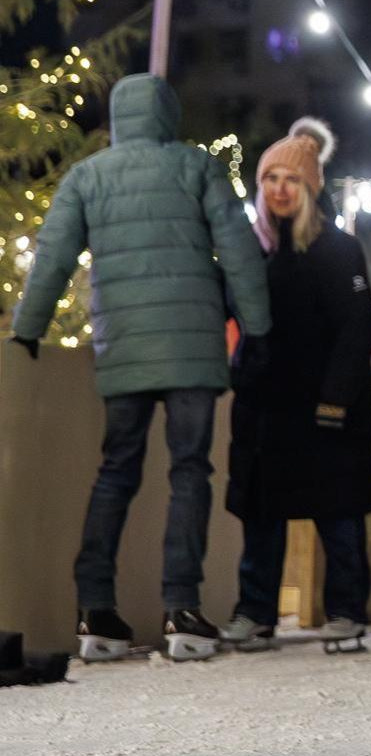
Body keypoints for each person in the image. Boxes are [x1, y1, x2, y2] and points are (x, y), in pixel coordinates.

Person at [8, 74, 271, 663]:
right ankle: (181, 608)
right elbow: (238, 250)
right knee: (190, 472)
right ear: (167, 115)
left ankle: (94, 610)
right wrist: (257, 328)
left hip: (122, 344)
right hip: (192, 350)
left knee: (116, 471)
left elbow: (52, 256)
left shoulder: (87, 176)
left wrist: (28, 328)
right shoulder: (196, 167)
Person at [218, 119, 371, 653]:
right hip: (264, 404)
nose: (279, 188)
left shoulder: (337, 249)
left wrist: (336, 398)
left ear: (310, 188)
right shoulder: (250, 253)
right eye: (270, 178)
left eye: (291, 179)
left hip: (322, 405)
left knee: (337, 509)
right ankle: (255, 611)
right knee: (262, 512)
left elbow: (356, 330)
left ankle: (347, 610)